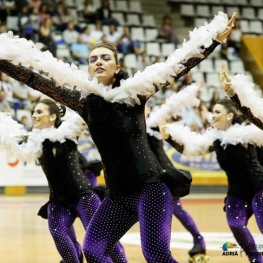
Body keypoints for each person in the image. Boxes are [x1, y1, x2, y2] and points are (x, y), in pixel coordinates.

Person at [0, 12, 237, 263]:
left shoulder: (135, 93)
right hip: (117, 196)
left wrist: (212, 39)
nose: (98, 62)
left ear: (118, 67)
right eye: (93, 60)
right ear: (88, 69)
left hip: (151, 189)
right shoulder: (84, 103)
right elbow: (35, 80)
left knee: (155, 254)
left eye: (105, 58)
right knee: (92, 250)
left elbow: (176, 66)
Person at [0, 99, 127, 263]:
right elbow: (13, 144)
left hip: (83, 196)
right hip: (58, 200)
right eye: (34, 111)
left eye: (39, 112)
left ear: (53, 117)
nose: (34, 115)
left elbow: (82, 114)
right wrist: (3, 122)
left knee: (101, 237)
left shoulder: (69, 132)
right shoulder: (34, 141)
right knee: (58, 233)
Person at [160, 97, 263, 263]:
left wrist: (234, 92)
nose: (212, 115)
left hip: (259, 188)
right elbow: (190, 150)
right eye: (212, 112)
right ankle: (257, 260)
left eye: (217, 112)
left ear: (229, 116)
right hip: (236, 192)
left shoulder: (247, 134)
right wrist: (169, 137)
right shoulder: (214, 139)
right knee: (236, 224)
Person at [145, 87, 208, 262]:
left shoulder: (153, 123)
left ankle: (198, 239)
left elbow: (170, 115)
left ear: (149, 110)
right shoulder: (131, 124)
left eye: (144, 107)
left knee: (176, 209)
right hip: (146, 175)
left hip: (165, 173)